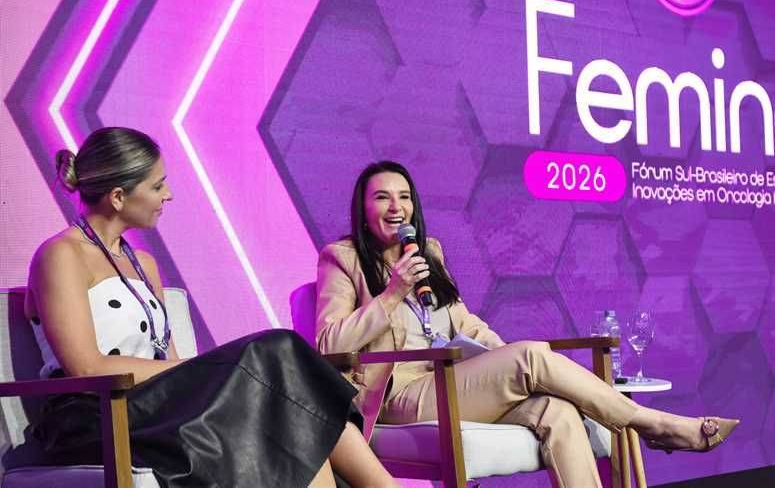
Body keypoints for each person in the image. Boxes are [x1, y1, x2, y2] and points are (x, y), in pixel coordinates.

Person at [315, 160, 739, 488]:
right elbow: (327, 343)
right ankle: (651, 423)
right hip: (398, 397)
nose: (396, 207)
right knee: (531, 355)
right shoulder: (343, 258)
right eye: (382, 197)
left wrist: (501, 358)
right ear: (363, 209)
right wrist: (392, 293)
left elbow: (464, 322)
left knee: (558, 411)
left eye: (404, 197)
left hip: (453, 383)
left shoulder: (429, 252)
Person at [19, 127, 398, 488]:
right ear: (118, 197)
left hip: (155, 405)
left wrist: (204, 373)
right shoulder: (61, 255)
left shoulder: (143, 263)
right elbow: (86, 367)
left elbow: (166, 358)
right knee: (276, 352)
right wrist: (209, 369)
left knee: (284, 403)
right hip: (97, 415)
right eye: (157, 186)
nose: (168, 195)